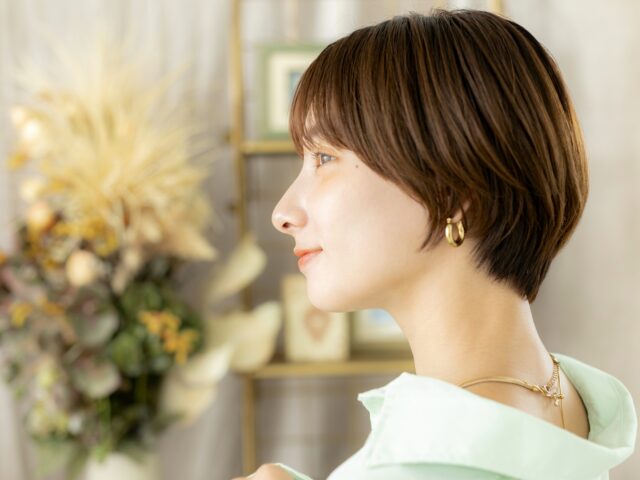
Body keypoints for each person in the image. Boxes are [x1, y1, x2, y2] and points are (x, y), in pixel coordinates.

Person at [233, 8, 637, 480]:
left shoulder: (417, 463)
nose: (283, 212)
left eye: (324, 158)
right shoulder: (574, 412)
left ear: (453, 193)